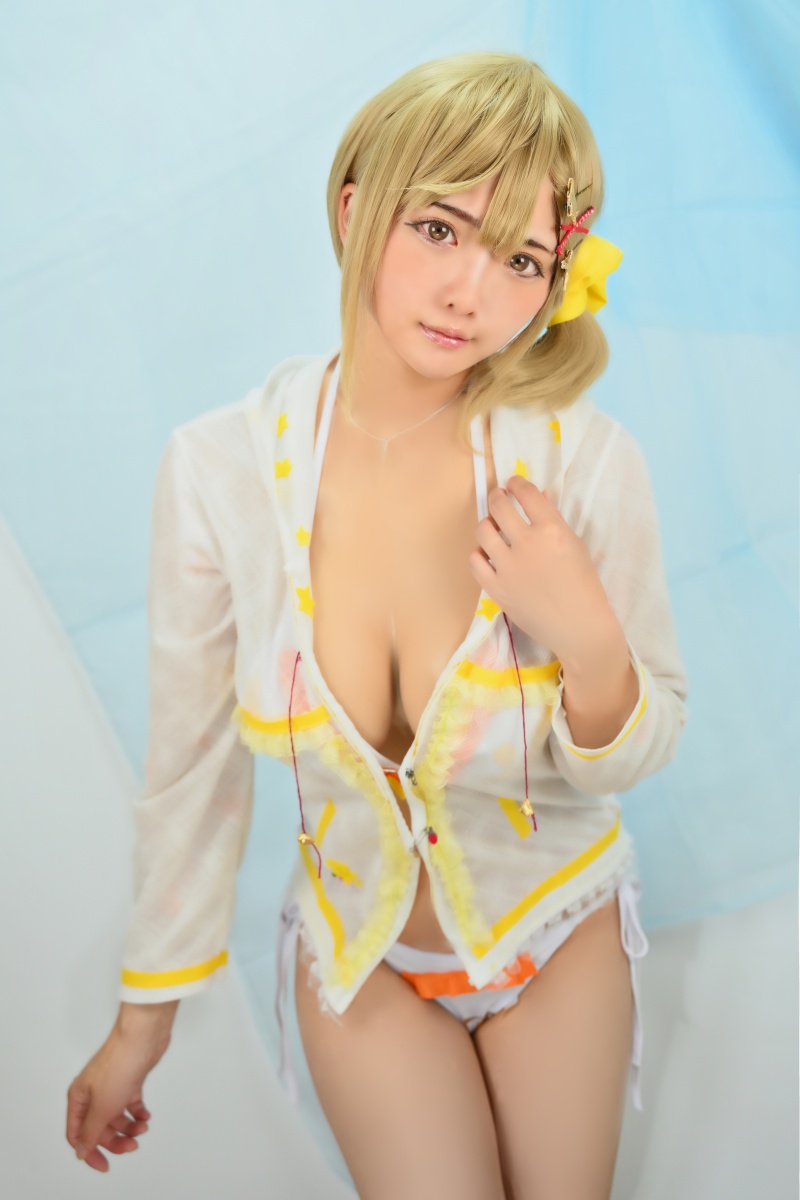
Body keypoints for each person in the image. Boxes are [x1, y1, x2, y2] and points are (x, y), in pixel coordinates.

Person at [66, 50, 688, 1199]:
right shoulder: (218, 473)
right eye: (439, 229)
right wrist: (140, 1024)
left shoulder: (581, 461)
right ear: (356, 210)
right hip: (364, 963)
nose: (468, 293)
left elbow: (638, 746)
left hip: (556, 931)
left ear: (554, 280)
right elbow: (192, 769)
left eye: (519, 259)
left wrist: (588, 636)